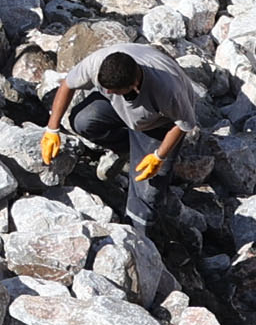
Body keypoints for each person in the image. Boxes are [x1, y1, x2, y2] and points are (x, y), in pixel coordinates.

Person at [40, 42, 205, 223]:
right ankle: (126, 150)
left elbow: (183, 125)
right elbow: (67, 85)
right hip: (122, 111)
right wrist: (52, 129)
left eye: (114, 90)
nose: (108, 91)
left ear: (134, 84)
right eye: (106, 88)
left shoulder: (168, 90)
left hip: (159, 124)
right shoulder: (99, 64)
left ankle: (139, 234)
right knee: (83, 120)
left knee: (147, 194)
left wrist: (159, 156)